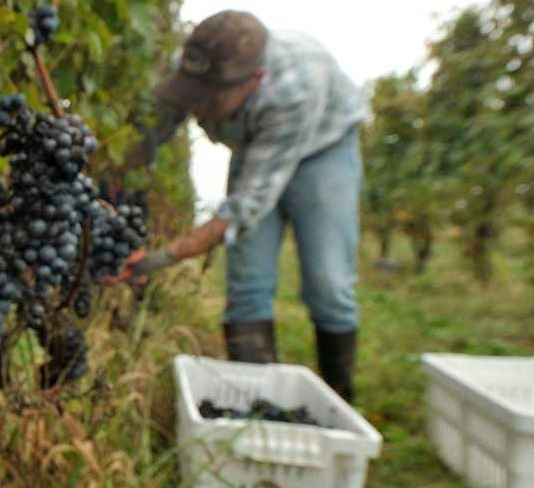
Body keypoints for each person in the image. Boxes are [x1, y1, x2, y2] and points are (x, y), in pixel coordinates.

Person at [115, 10, 367, 401]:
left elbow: (245, 207)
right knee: (247, 285)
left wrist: (160, 258)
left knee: (328, 283)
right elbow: (149, 133)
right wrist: (107, 188)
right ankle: (258, 408)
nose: (196, 108)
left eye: (208, 99)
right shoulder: (197, 70)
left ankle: (338, 401)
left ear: (255, 81)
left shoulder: (295, 87)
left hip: (323, 150)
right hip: (254, 148)